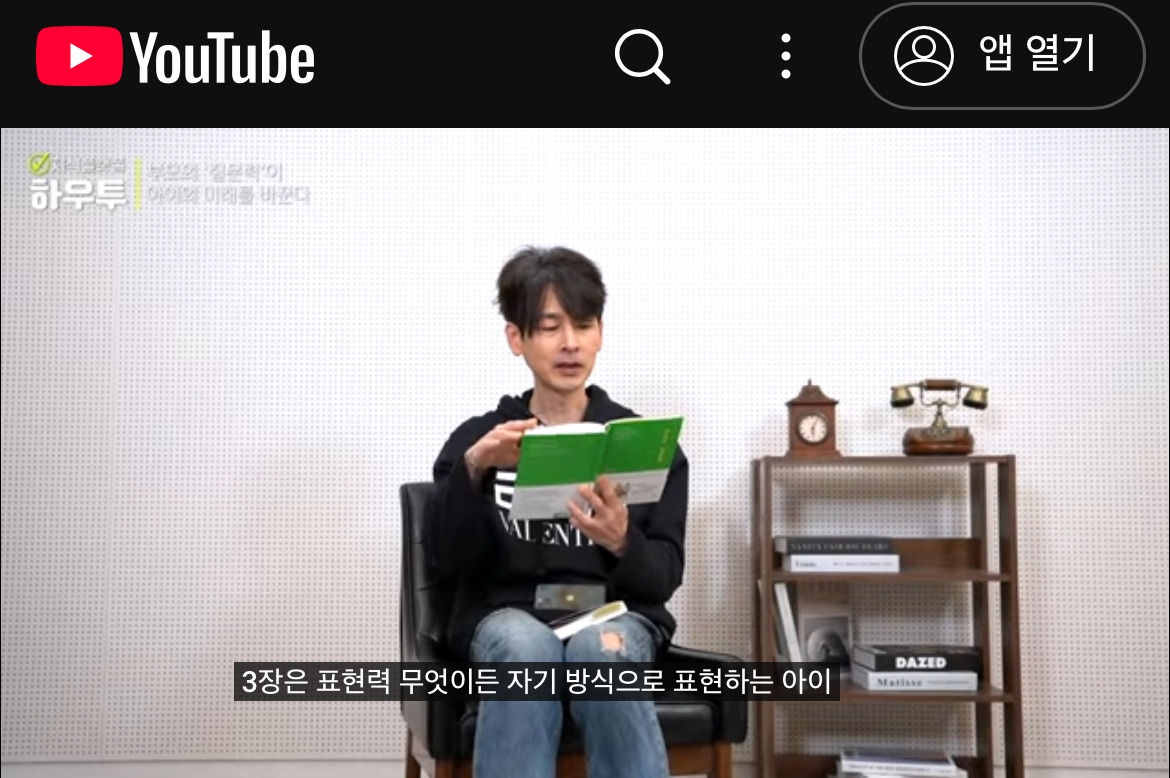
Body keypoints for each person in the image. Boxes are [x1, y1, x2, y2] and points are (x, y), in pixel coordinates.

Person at [425, 245, 687, 778]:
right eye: (549, 327)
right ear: (516, 338)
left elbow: (662, 579)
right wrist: (474, 469)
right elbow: (448, 562)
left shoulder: (646, 445)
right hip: (509, 617)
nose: (570, 343)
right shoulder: (480, 440)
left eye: (583, 325)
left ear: (600, 333)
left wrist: (621, 540)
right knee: (526, 648)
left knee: (601, 652)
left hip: (614, 615)